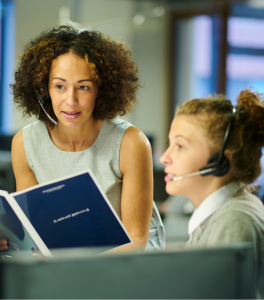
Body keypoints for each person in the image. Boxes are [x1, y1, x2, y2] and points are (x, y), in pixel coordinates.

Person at [0, 25, 164, 253]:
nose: (71, 100)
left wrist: (75, 270)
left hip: (125, 263)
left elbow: (136, 240)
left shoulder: (131, 143)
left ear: (101, 90)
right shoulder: (25, 143)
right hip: (66, 262)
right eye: (60, 86)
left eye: (83, 87)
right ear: (44, 88)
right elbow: (35, 233)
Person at [160, 89, 264, 293]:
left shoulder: (233, 222)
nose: (165, 157)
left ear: (219, 162)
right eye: (169, 144)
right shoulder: (213, 218)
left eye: (179, 146)